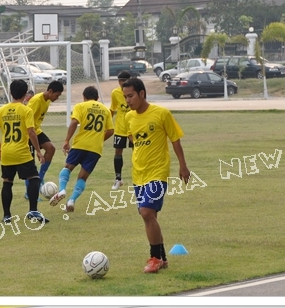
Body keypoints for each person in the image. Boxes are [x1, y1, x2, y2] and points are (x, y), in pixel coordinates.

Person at [121, 77, 190, 273]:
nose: (128, 101)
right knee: (150, 217)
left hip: (158, 173)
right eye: (125, 97)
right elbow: (133, 142)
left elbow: (175, 140)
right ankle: (163, 257)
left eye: (131, 96)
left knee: (147, 212)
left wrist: (183, 166)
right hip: (138, 175)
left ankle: (155, 258)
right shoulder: (129, 118)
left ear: (142, 93)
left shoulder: (161, 113)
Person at [49, 86, 113, 213]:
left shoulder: (81, 106)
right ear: (97, 98)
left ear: (84, 97)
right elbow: (111, 131)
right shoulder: (105, 110)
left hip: (80, 145)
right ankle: (72, 200)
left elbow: (74, 123)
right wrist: (99, 139)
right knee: (83, 177)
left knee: (67, 167)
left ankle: (62, 189)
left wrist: (67, 140)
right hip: (95, 149)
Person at [0, 79, 47, 224]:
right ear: (25, 94)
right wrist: (39, 151)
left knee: (7, 182)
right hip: (22, 152)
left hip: (7, 152)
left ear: (10, 92)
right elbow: (31, 132)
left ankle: (7, 216)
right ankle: (33, 211)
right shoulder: (26, 110)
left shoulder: (2, 110)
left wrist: (0, 147)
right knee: (34, 178)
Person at [26, 80, 64, 189]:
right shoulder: (36, 101)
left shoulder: (47, 100)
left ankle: (40, 178)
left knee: (51, 148)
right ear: (50, 91)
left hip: (36, 130)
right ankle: (29, 191)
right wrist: (38, 150)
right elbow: (27, 122)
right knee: (30, 164)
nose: (57, 98)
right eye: (57, 95)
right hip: (28, 132)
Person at [109, 71, 133, 190]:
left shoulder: (136, 91)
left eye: (124, 81)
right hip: (120, 128)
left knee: (137, 152)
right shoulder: (115, 93)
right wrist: (107, 124)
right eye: (120, 81)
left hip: (134, 127)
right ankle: (118, 179)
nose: (122, 83)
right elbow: (112, 109)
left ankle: (139, 177)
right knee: (118, 151)